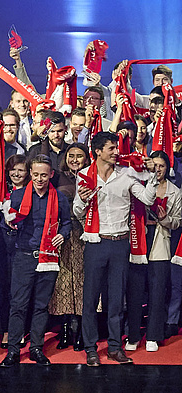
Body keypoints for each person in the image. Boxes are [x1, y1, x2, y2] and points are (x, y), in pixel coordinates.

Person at [73, 131, 158, 366]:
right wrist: (82, 199)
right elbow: (77, 212)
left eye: (116, 147)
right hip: (95, 243)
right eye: (111, 148)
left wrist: (152, 178)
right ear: (98, 151)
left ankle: (114, 347)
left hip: (120, 244)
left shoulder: (126, 174)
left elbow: (148, 199)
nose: (116, 152)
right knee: (90, 300)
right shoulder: (84, 176)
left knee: (116, 300)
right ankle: (91, 348)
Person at [0, 155, 72, 367]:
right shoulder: (18, 196)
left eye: (44, 175)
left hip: (48, 256)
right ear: (30, 173)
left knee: (41, 305)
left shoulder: (59, 198)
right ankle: (13, 350)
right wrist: (10, 229)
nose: (39, 179)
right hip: (24, 256)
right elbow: (5, 226)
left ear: (51, 174)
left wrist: (63, 234)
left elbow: (66, 223)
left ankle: (36, 349)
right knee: (18, 305)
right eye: (36, 174)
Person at [125, 151, 180, 352]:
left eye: (161, 166)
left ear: (167, 168)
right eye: (154, 165)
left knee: (158, 293)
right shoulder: (137, 185)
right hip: (137, 241)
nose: (157, 169)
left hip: (160, 243)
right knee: (135, 292)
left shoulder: (174, 191)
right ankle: (133, 335)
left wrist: (164, 219)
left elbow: (177, 221)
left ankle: (154, 336)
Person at [49, 143, 91, 350]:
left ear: (86, 158)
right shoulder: (57, 177)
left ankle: (82, 331)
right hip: (63, 235)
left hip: (85, 234)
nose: (75, 159)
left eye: (80, 156)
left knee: (83, 282)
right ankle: (65, 330)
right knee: (63, 282)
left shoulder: (91, 175)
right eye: (71, 155)